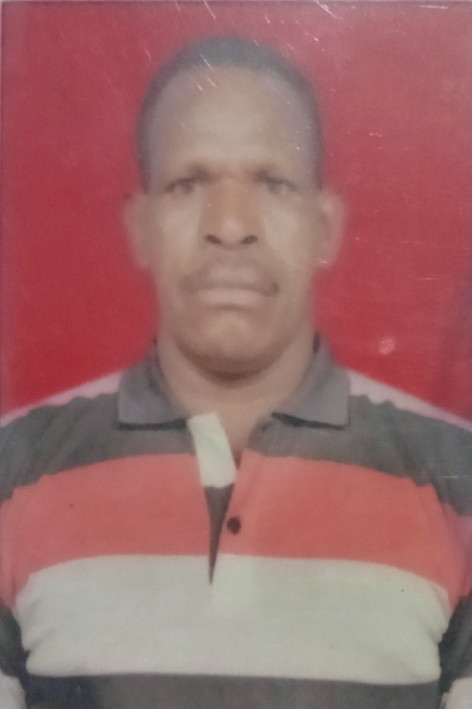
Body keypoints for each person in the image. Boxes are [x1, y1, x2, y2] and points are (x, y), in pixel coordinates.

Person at [0, 35, 471, 709]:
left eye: (272, 183)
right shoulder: (12, 472)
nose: (229, 225)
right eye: (189, 183)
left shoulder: (458, 480)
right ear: (139, 226)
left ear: (325, 225)